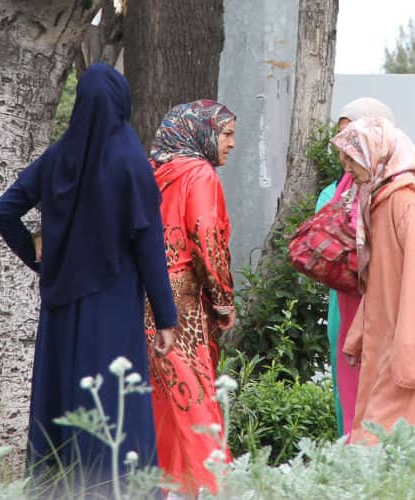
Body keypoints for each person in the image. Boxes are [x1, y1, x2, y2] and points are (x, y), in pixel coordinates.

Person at [0, 64, 178, 482]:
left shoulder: (61, 155)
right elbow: (149, 247)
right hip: (112, 308)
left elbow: (3, 212)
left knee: (64, 400)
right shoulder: (132, 162)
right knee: (113, 405)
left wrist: (38, 256)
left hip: (60, 308)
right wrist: (165, 317)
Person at [331, 117, 415, 472]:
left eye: (353, 159)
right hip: (398, 336)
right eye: (345, 161)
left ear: (378, 155)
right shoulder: (382, 200)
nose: (349, 169)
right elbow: (381, 282)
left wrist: (412, 354)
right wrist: (363, 332)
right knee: (390, 439)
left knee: (396, 439)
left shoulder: (410, 203)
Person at [146, 99, 236, 496]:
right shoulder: (199, 173)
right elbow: (206, 237)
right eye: (228, 134)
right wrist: (223, 299)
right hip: (181, 303)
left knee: (160, 399)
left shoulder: (156, 171)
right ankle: (212, 486)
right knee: (195, 399)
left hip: (144, 297)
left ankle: (167, 486)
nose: (232, 143)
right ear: (203, 132)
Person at [315, 97, 395, 436]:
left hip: (383, 301)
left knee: (382, 388)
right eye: (341, 139)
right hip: (345, 303)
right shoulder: (335, 191)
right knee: (347, 387)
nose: (345, 149)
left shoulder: (397, 186)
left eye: (354, 136)